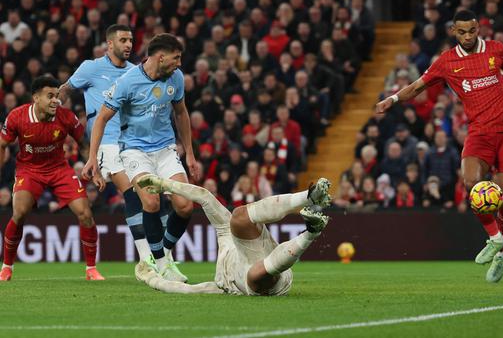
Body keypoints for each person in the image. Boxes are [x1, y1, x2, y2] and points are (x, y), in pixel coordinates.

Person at [375, 9, 503, 283]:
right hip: (479, 132)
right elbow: (418, 86)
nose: (467, 36)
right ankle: (495, 238)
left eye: (472, 30)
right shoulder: (446, 62)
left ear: (478, 28)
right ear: (454, 32)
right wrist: (393, 100)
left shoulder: (497, 50)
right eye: (462, 31)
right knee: (471, 183)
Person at [83, 33, 201, 282]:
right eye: (176, 58)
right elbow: (101, 119)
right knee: (151, 202)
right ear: (160, 57)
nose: (179, 63)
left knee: (185, 205)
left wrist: (189, 152)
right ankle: (159, 264)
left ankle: (165, 254)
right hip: (135, 150)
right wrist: (92, 158)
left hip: (166, 149)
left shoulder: (175, 78)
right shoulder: (127, 82)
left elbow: (181, 113)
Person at [59, 24, 155, 280]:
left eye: (131, 40)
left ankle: (153, 256)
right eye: (123, 40)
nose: (128, 45)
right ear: (109, 44)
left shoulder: (136, 72)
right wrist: (51, 104)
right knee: (133, 193)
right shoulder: (91, 68)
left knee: (149, 197)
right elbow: (67, 88)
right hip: (106, 142)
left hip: (131, 141)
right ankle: (147, 258)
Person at [136, 174, 331, 295]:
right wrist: (152, 279)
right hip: (263, 283)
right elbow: (189, 289)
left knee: (239, 216)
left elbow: (204, 196)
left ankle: (308, 197)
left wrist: (165, 185)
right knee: (254, 273)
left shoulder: (226, 231)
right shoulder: (222, 286)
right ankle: (311, 232)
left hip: (262, 253)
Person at [0, 76, 105, 281]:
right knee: (19, 213)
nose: (55, 101)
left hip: (59, 169)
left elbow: (85, 143)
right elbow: (3, 143)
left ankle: (91, 269)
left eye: (57, 96)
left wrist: (95, 168)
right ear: (36, 98)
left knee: (85, 213)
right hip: (29, 170)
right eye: (50, 96)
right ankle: (7, 267)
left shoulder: (65, 117)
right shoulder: (17, 117)